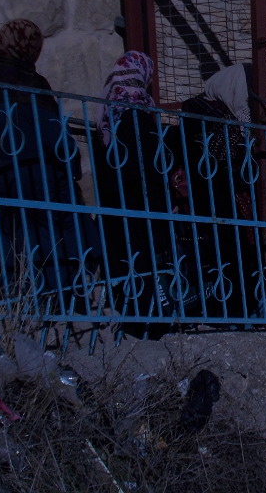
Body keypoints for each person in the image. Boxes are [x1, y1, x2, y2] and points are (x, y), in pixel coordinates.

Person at [0, 19, 88, 301]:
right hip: (40, 179)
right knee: (49, 241)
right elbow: (55, 137)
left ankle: (11, 300)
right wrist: (73, 168)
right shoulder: (32, 86)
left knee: (4, 240)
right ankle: (54, 302)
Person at [94, 50, 176, 339]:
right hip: (142, 202)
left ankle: (132, 318)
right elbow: (148, 166)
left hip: (116, 202)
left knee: (126, 261)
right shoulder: (139, 109)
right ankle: (149, 324)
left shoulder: (108, 108)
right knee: (146, 263)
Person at [180, 64, 262, 319]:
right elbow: (227, 159)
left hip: (203, 199)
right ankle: (238, 313)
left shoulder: (193, 110)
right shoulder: (219, 118)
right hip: (222, 198)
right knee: (233, 257)